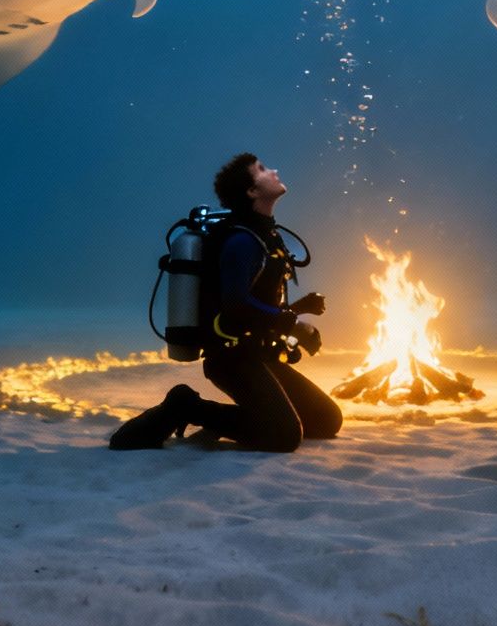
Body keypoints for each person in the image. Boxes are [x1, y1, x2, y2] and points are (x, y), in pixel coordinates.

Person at [110, 153, 341, 452]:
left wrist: (298, 309)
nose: (274, 170)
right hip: (232, 360)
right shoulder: (242, 242)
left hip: (260, 355)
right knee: (283, 436)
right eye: (261, 169)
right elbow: (236, 307)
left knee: (325, 420)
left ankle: (238, 418)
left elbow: (258, 302)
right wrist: (294, 324)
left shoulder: (266, 234)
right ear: (252, 192)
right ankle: (186, 406)